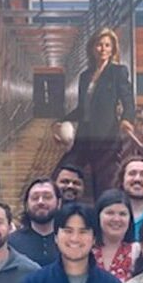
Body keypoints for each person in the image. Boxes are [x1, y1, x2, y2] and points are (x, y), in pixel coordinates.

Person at [55, 27, 136, 198]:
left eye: (107, 45)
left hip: (106, 139)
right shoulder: (85, 76)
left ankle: (102, 212)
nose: (103, 49)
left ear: (112, 49)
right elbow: (82, 108)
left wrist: (127, 119)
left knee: (103, 185)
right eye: (99, 45)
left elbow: (127, 99)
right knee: (62, 174)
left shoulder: (118, 72)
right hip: (84, 137)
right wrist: (61, 121)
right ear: (92, 48)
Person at [9, 178, 62, 267]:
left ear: (59, 203)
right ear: (26, 204)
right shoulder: (11, 243)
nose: (40, 202)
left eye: (47, 197)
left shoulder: (69, 241)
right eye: (35, 198)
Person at [92, 189, 139, 283]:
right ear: (98, 215)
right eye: (110, 213)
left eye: (122, 214)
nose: (116, 219)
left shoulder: (138, 252)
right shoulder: (86, 249)